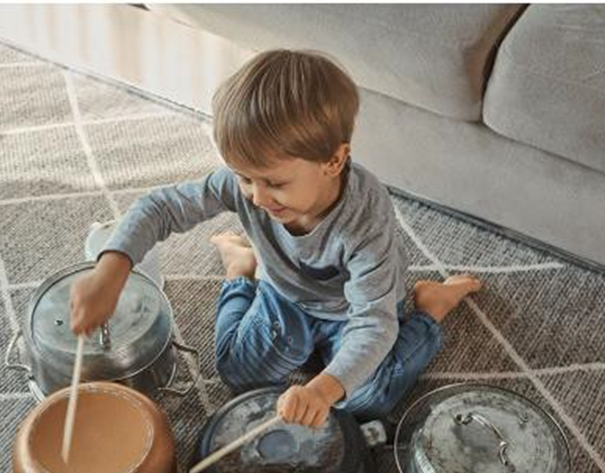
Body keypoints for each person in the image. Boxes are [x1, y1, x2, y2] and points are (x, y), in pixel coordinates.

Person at [70, 49, 481, 428]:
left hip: (351, 313)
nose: (256, 197)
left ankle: (431, 309)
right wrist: (111, 270)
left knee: (364, 402)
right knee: (235, 373)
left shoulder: (365, 219)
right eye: (244, 177)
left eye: (275, 183)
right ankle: (240, 271)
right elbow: (162, 207)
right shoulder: (247, 187)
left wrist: (323, 388)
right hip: (285, 295)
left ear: (333, 161)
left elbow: (374, 324)